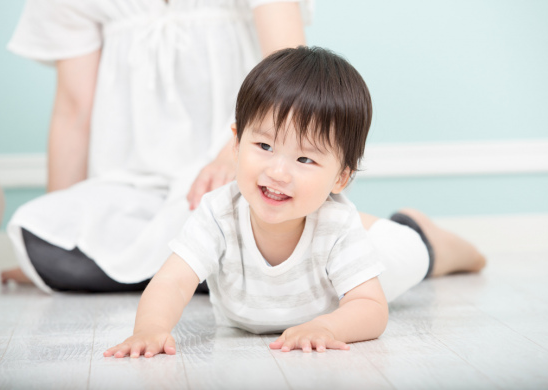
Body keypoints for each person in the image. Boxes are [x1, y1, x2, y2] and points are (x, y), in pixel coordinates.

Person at [104, 47, 486, 357]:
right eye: (264, 146)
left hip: (358, 263)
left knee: (412, 253)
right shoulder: (219, 212)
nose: (278, 172)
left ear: (341, 177)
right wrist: (151, 330)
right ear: (236, 144)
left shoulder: (336, 225)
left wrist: (328, 325)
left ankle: (425, 232)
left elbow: (371, 308)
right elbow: (172, 280)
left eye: (305, 159)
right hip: (313, 240)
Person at [0, 0, 309, 292]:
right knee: (37, 227)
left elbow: (289, 69)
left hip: (229, 170)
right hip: (132, 186)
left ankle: (177, 272)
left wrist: (235, 154)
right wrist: (60, 230)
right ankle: (206, 273)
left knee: (241, 213)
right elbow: (74, 111)